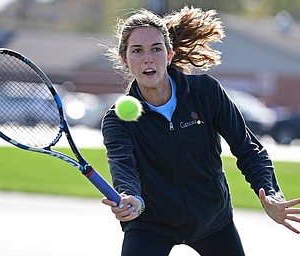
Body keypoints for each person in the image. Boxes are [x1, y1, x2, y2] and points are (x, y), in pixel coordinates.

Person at [101, 6, 300, 256]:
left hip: (212, 220)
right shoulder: (117, 120)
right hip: (151, 224)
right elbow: (123, 168)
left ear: (170, 54)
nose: (147, 59)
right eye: (137, 51)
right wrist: (132, 200)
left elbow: (248, 149)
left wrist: (271, 194)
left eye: (156, 49)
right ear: (124, 59)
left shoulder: (206, 92)